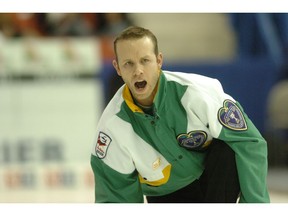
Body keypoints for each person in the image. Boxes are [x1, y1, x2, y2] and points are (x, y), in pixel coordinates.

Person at [90, 26, 270, 203]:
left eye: (145, 60)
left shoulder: (197, 93)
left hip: (215, 182)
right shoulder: (111, 128)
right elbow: (116, 198)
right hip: (166, 196)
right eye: (128, 63)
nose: (138, 71)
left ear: (159, 61)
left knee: (229, 148)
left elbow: (250, 142)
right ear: (117, 68)